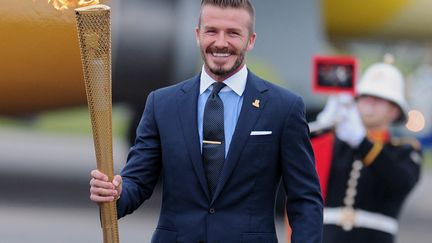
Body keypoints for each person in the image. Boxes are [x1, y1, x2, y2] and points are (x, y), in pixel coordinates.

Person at [89, 0, 323, 242]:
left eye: (233, 33)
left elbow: (305, 199)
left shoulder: (283, 108)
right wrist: (115, 193)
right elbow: (137, 183)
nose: (220, 43)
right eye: (212, 31)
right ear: (198, 35)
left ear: (250, 40)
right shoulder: (162, 104)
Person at [316, 58, 422, 243]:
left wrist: (361, 142)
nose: (369, 104)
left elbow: (401, 181)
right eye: (365, 97)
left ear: (394, 111)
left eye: (379, 100)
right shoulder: (336, 143)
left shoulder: (404, 151)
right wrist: (321, 128)